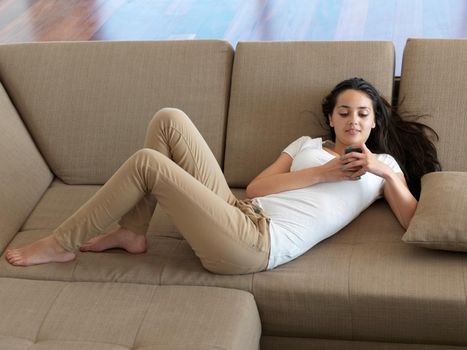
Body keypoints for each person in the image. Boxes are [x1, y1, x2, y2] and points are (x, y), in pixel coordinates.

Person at [5, 77, 440, 274]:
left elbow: (412, 219)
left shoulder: (385, 169)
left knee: (147, 163)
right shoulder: (305, 146)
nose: (353, 119)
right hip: (239, 211)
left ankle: (60, 244)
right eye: (344, 111)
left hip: (256, 246)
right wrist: (323, 173)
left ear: (374, 123)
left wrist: (384, 172)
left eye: (363, 114)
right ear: (330, 117)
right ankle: (132, 232)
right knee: (168, 118)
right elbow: (255, 188)